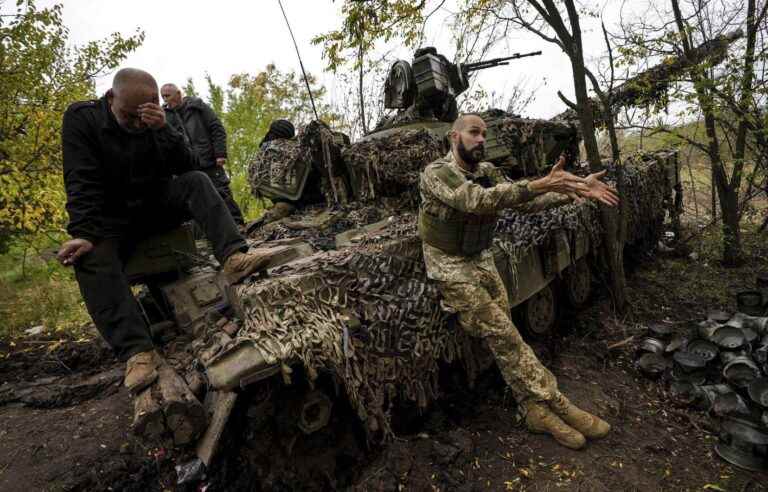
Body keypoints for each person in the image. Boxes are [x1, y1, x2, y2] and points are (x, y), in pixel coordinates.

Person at [59, 68, 270, 395]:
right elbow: (80, 180)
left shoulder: (159, 122)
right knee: (89, 255)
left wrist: (163, 130)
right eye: (128, 117)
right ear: (111, 98)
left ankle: (234, 257)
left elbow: (189, 165)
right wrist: (84, 232)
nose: (135, 124)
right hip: (110, 217)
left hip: (154, 205)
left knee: (197, 183)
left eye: (142, 116)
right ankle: (138, 352)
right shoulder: (82, 119)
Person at [419, 114, 619, 450]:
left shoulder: (486, 172)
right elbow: (478, 201)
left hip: (480, 257)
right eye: (473, 133)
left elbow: (526, 202)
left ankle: (532, 410)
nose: (481, 139)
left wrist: (573, 190)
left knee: (505, 335)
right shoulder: (435, 173)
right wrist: (543, 183)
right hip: (449, 265)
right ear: (454, 136)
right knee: (506, 336)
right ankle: (557, 402)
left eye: (484, 134)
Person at [160, 83, 245, 226]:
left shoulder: (197, 107)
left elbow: (216, 128)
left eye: (167, 95)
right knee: (197, 201)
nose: (165, 100)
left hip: (209, 160)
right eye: (162, 96)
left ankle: (238, 225)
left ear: (178, 94)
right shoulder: (165, 117)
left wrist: (220, 153)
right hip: (188, 166)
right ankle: (214, 232)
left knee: (222, 193)